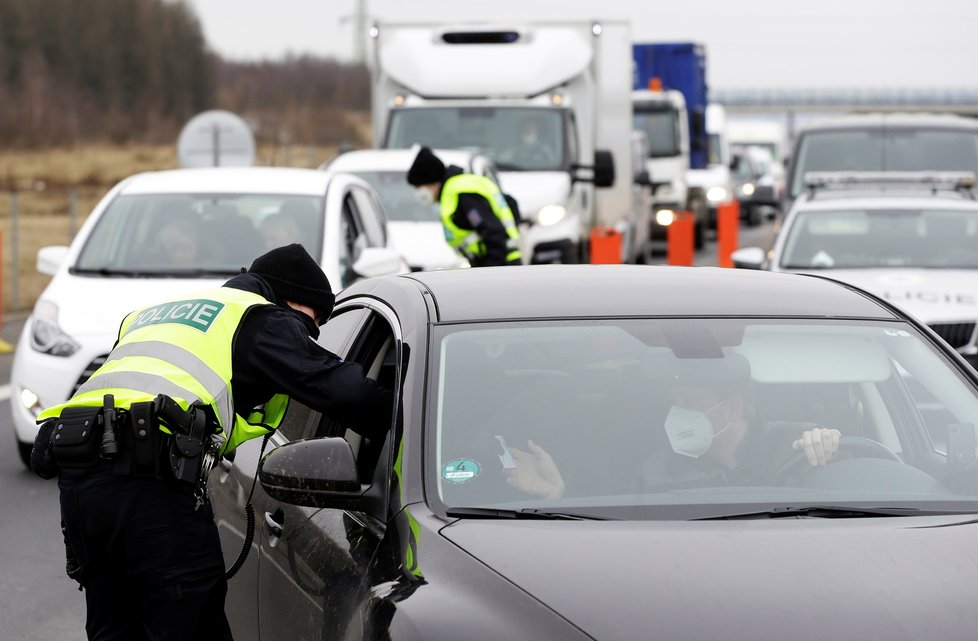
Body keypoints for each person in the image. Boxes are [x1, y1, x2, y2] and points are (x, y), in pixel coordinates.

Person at [31, 243, 393, 640]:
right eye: (315, 319)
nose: (314, 332)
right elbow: (349, 394)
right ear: (291, 300)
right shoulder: (259, 317)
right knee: (189, 624)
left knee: (115, 624)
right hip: (150, 486)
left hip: (81, 478)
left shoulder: (153, 315)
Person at [504, 354, 841, 499]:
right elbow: (618, 540)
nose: (677, 415)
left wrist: (830, 446)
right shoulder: (657, 472)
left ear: (733, 407)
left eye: (690, 403)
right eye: (673, 403)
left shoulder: (797, 445)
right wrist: (558, 495)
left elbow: (841, 500)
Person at [406, 145, 522, 267]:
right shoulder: (457, 188)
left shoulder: (461, 191)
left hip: (501, 265)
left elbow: (492, 231)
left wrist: (490, 271)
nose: (418, 192)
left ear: (431, 179)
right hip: (497, 263)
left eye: (419, 187)